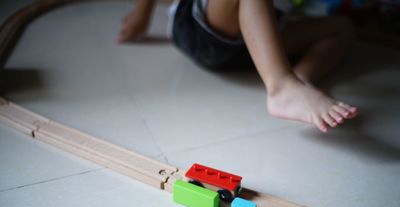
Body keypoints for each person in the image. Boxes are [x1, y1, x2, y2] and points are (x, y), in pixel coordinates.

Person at [118, 0, 358, 133]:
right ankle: (281, 87)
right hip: (201, 31)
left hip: (263, 40)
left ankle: (297, 80)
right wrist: (142, 14)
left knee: (342, 27)